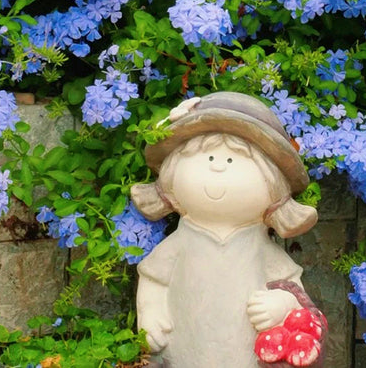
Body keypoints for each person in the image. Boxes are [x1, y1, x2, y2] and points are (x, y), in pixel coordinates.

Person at [131, 91, 323, 367]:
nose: (218, 167)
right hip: (184, 351)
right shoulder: (181, 242)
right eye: (207, 158)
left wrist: (282, 305)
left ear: (273, 184)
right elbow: (153, 279)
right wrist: (150, 313)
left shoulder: (259, 248)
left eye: (233, 160)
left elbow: (294, 292)